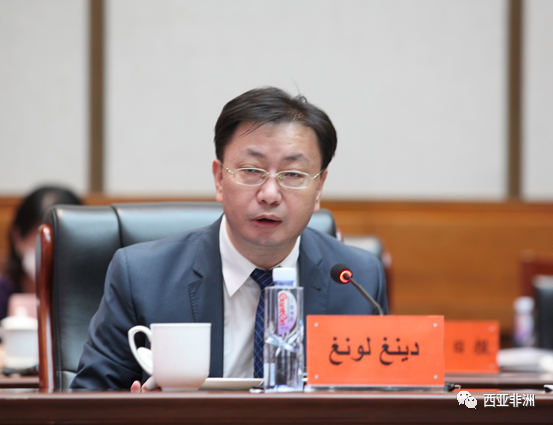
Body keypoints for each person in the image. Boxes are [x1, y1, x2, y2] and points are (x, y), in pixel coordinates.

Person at [70, 87, 388, 390]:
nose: (270, 194)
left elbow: (378, 405)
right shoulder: (142, 276)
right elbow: (88, 403)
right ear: (220, 179)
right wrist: (143, 412)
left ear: (318, 189)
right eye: (252, 170)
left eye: (293, 174)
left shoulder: (358, 281)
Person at [0, 186, 82, 320]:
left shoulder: (93, 296)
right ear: (17, 238)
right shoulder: (2, 292)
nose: (52, 250)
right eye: (42, 239)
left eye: (63, 239)